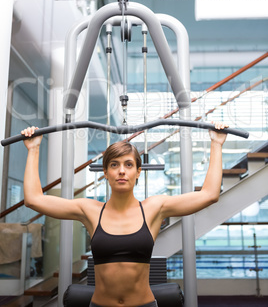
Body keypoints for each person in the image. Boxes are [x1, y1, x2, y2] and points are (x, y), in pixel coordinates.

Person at [22, 122, 228, 307]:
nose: (122, 171)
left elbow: (209, 195)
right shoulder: (90, 210)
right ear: (105, 172)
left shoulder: (154, 208)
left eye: (128, 165)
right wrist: (33, 148)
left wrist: (216, 144)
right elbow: (33, 199)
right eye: (114, 165)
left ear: (138, 172)